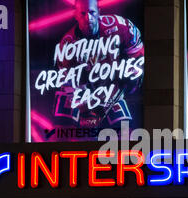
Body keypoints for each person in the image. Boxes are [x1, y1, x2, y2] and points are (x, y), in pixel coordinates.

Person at [54, 0, 144, 130]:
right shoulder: (67, 44)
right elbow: (68, 84)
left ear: (99, 12)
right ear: (76, 15)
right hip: (87, 91)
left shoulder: (119, 25)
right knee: (79, 131)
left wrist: (133, 73)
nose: (88, 18)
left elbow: (137, 51)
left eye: (92, 12)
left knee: (125, 130)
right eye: (83, 13)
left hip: (114, 89)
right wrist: (85, 108)